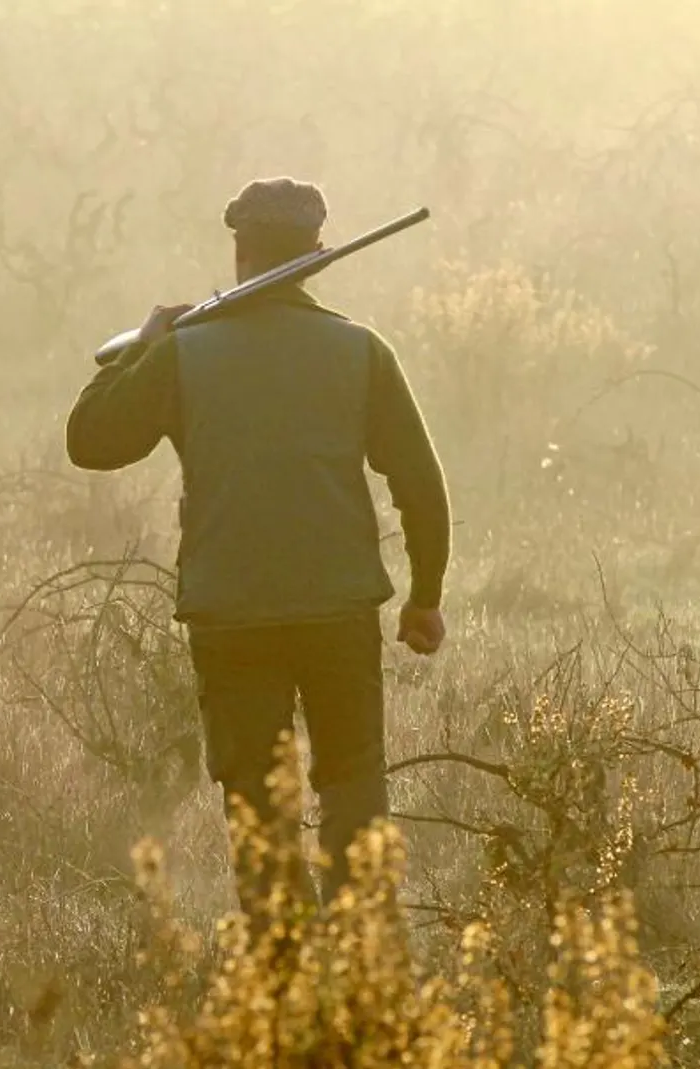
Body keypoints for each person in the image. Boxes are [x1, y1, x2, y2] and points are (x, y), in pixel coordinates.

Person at [64, 177, 451, 914]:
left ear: (240, 250)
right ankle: (360, 961)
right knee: (353, 786)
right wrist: (425, 597)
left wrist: (143, 347)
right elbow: (421, 484)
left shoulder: (182, 355)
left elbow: (90, 440)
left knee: (256, 807)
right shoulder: (361, 350)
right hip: (338, 612)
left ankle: (282, 981)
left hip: (230, 616)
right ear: (315, 254)